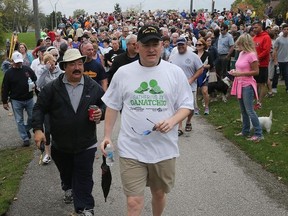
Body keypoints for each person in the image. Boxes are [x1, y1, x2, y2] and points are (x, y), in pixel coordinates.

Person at [100, 25, 194, 216]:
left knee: (159, 194)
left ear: (162, 46)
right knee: (134, 202)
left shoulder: (174, 73)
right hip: (131, 149)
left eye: (155, 44)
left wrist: (172, 120)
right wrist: (107, 136)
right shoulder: (124, 73)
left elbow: (186, 105)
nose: (151, 49)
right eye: (146, 45)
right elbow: (112, 105)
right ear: (137, 47)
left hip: (163, 149)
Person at [32, 49, 106, 215]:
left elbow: (105, 105)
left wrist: (101, 113)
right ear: (64, 67)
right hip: (60, 144)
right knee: (67, 173)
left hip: (86, 143)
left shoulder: (91, 86)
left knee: (84, 176)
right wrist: (38, 129)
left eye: (80, 63)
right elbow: (39, 108)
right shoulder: (53, 88)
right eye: (72, 64)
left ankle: (85, 208)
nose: (77, 67)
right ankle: (67, 186)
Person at [230, 34, 263, 142]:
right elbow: (239, 67)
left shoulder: (252, 55)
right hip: (239, 82)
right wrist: (235, 72)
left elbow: (256, 72)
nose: (238, 46)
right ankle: (245, 130)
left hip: (247, 84)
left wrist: (240, 74)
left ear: (244, 43)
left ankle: (259, 133)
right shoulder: (241, 54)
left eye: (239, 44)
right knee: (243, 110)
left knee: (250, 110)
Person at [169, 37, 203, 135]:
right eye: (179, 45)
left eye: (182, 45)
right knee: (178, 106)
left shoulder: (193, 56)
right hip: (177, 86)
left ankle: (188, 121)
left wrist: (192, 79)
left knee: (190, 107)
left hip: (190, 85)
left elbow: (200, 69)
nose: (180, 47)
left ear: (186, 45)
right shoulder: (173, 56)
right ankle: (179, 127)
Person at [1, 51, 37, 147]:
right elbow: (5, 88)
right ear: (12, 61)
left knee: (33, 117)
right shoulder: (9, 73)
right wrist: (4, 101)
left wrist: (34, 85)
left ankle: (25, 129)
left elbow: (34, 78)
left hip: (29, 98)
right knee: (19, 120)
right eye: (16, 62)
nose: (18, 64)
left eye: (20, 62)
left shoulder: (27, 69)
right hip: (16, 100)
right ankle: (25, 138)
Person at [252, 21, 272, 109]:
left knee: (261, 84)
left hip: (262, 64)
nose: (254, 29)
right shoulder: (254, 37)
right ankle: (255, 99)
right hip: (254, 64)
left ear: (260, 27)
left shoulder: (266, 37)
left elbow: (266, 51)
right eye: (253, 28)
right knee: (254, 83)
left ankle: (260, 102)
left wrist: (257, 58)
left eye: (256, 27)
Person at [194, 38, 213, 115]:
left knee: (205, 91)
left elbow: (211, 65)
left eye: (199, 44)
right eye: (197, 44)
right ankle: (196, 108)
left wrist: (204, 66)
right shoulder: (193, 53)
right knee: (195, 92)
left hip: (204, 74)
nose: (198, 46)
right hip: (195, 75)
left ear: (203, 45)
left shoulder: (208, 54)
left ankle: (206, 107)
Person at [272, 23, 288, 93]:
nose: (286, 31)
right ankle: (274, 87)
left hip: (286, 60)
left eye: (287, 29)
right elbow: (275, 50)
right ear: (282, 30)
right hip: (279, 60)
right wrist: (275, 60)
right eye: (284, 29)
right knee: (276, 75)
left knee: (287, 75)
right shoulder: (278, 39)